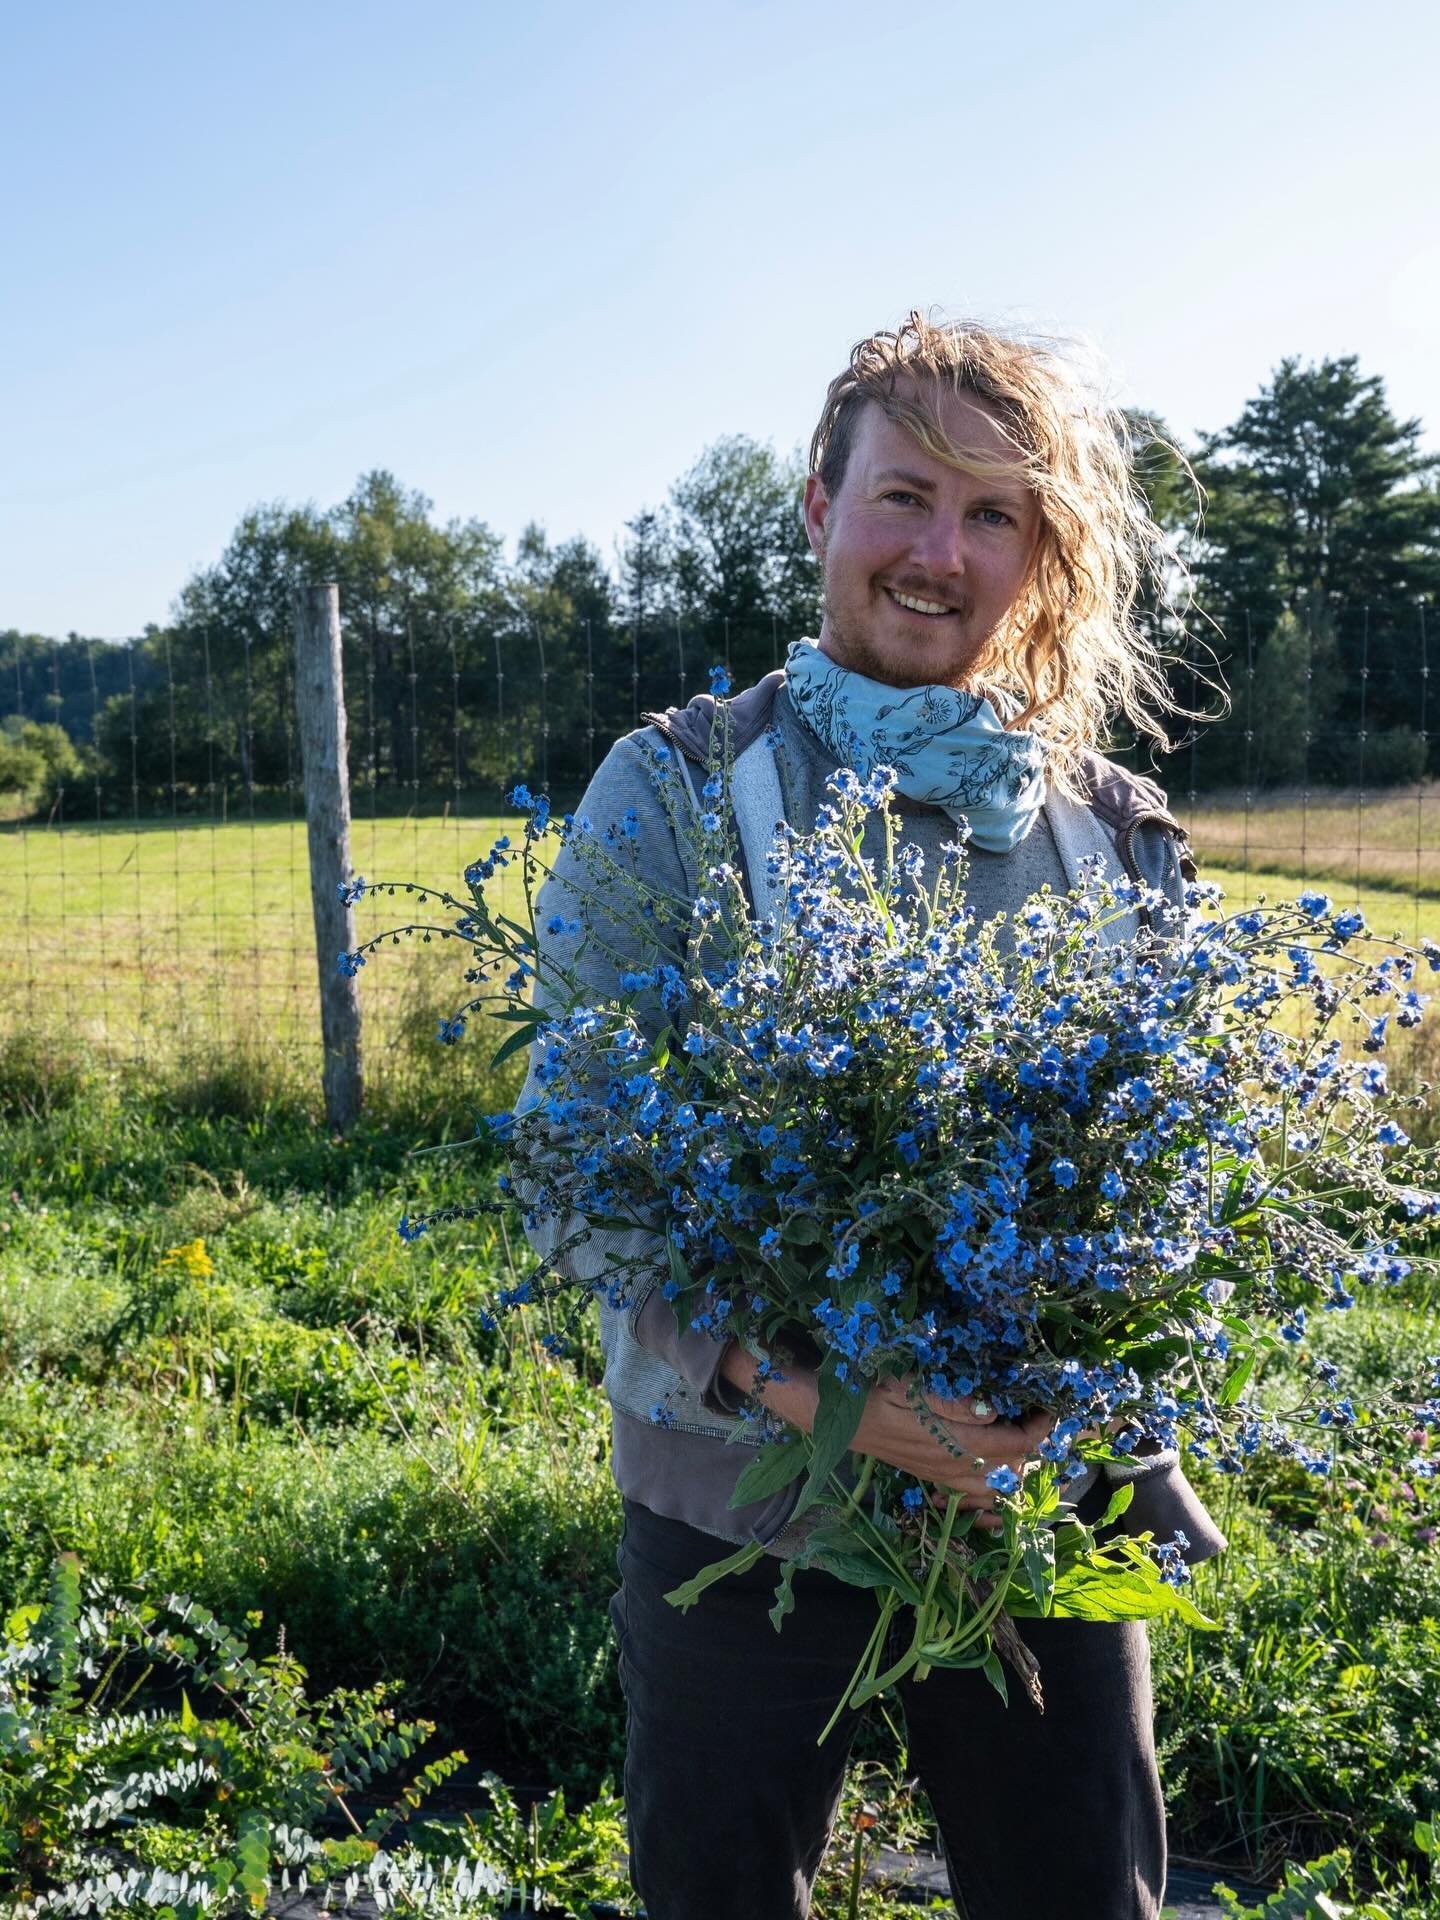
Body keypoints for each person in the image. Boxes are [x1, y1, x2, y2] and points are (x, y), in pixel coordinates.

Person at [518, 311, 1225, 1920]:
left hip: (1035, 1501)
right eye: (905, 495)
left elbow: (1168, 1182)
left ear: (1040, 557)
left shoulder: (1118, 836)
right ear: (821, 503)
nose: (940, 551)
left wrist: (1118, 1424)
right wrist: (818, 1395)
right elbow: (571, 1166)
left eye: (995, 515)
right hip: (740, 1512)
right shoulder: (686, 790)